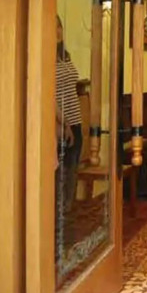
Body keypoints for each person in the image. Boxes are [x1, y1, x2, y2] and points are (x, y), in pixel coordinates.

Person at [55, 15, 83, 211]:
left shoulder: (65, 56)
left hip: (75, 122)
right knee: (61, 175)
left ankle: (67, 215)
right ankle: (57, 218)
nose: (57, 31)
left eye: (59, 27)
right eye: (52, 27)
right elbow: (49, 96)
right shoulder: (45, 60)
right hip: (60, 124)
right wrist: (62, 124)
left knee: (72, 173)